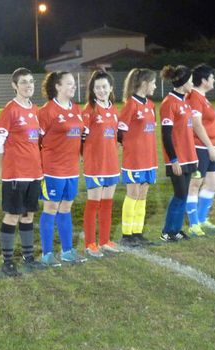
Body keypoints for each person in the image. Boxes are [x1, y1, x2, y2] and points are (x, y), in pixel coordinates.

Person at [0, 68, 45, 275]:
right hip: (15, 174)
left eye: (31, 81)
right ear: (14, 85)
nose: (28, 85)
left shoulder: (35, 109)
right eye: (23, 82)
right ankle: (7, 262)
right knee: (12, 216)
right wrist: (3, 168)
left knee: (28, 215)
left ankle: (28, 257)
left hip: (34, 173)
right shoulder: (10, 109)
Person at [38, 71, 87, 265]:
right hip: (53, 169)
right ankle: (47, 254)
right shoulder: (47, 111)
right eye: (69, 83)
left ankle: (67, 251)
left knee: (66, 207)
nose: (73, 86)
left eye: (73, 83)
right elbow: (37, 141)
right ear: (57, 87)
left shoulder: (76, 108)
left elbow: (81, 136)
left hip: (72, 168)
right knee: (50, 207)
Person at [81, 70, 122, 257]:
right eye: (97, 87)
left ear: (111, 88)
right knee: (93, 204)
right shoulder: (88, 111)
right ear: (92, 89)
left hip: (112, 164)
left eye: (104, 86)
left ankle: (104, 241)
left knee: (107, 204)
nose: (101, 90)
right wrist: (85, 156)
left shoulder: (114, 110)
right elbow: (80, 139)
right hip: (95, 165)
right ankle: (90, 243)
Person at [117, 68, 158, 247]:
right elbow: (120, 132)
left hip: (149, 159)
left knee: (142, 196)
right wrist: (131, 148)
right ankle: (126, 235)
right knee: (133, 195)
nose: (155, 86)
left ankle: (137, 233)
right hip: (134, 160)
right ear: (145, 83)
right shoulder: (130, 104)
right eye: (153, 82)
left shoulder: (150, 105)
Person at [159, 65, 198, 241]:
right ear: (182, 83)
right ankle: (167, 231)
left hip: (188, 157)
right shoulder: (169, 103)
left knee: (184, 194)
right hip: (177, 159)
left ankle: (176, 229)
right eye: (190, 80)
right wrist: (173, 159)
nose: (193, 83)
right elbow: (166, 135)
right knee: (180, 193)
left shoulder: (184, 101)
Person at [186, 64, 215, 237]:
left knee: (214, 181)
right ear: (204, 80)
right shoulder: (195, 98)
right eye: (212, 77)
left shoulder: (203, 98)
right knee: (195, 184)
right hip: (199, 147)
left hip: (208, 147)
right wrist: (208, 146)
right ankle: (193, 224)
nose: (214, 80)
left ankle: (201, 218)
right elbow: (196, 125)